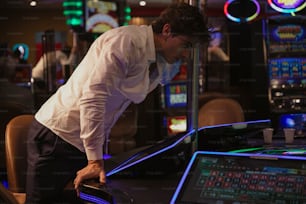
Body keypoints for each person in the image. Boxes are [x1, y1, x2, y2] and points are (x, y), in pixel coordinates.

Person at [25, 2, 210, 203]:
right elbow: (94, 98)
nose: (186, 54)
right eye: (186, 45)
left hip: (79, 141)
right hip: (57, 135)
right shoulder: (126, 42)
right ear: (167, 30)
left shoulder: (157, 57)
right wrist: (95, 160)